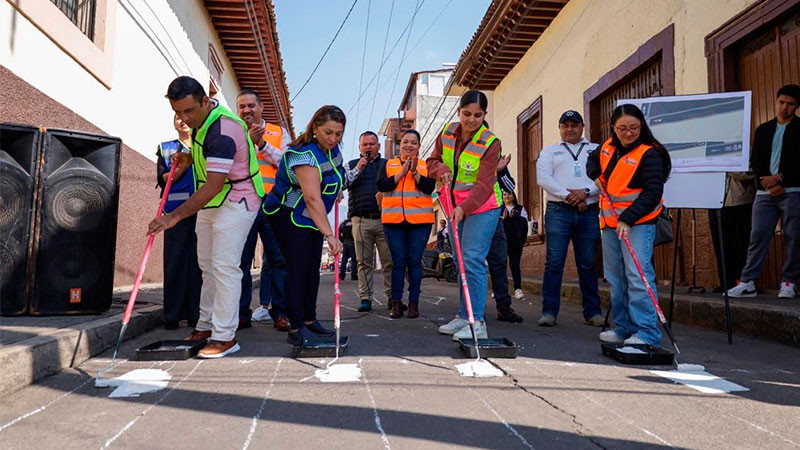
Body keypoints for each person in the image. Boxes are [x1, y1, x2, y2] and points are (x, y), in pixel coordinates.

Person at [149, 76, 265, 358]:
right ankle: (206, 325)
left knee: (225, 266)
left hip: (238, 197)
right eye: (178, 112)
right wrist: (188, 158)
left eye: (189, 111)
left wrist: (172, 217)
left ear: (205, 101)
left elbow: (214, 183)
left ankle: (225, 336)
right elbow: (207, 166)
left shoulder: (223, 130)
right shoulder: (201, 123)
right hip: (214, 199)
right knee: (207, 266)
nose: (184, 118)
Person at [587, 103, 671, 346]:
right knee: (615, 278)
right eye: (622, 128)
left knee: (638, 276)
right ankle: (623, 328)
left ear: (641, 126)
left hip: (638, 223)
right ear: (613, 127)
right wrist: (595, 175)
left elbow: (653, 191)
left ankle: (647, 333)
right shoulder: (606, 147)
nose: (628, 133)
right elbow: (592, 161)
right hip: (610, 223)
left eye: (634, 127)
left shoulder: (650, 153)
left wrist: (628, 218)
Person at [263, 105, 346, 345]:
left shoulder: (332, 151)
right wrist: (330, 234)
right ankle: (296, 327)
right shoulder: (303, 154)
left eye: (338, 134)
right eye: (328, 132)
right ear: (315, 128)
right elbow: (311, 197)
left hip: (310, 217)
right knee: (297, 269)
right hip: (288, 214)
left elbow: (332, 176)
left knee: (312, 269)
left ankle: (310, 320)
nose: (333, 139)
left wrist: (336, 188)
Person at [428, 90, 503, 341]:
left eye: (477, 115)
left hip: (483, 207)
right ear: (459, 111)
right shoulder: (447, 133)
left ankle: (477, 322)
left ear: (485, 115)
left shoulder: (491, 142)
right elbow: (431, 161)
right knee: (459, 261)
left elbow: (483, 185)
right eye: (467, 114)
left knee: (471, 258)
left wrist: (464, 208)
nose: (471, 120)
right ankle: (463, 314)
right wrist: (440, 169)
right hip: (453, 206)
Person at [728, 84, 800, 299]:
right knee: (758, 235)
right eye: (781, 102)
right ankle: (748, 281)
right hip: (764, 194)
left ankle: (789, 282)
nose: (784, 107)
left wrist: (779, 179)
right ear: (776, 101)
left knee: (794, 236)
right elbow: (756, 160)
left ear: (796, 106)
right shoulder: (764, 129)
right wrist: (768, 182)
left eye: (790, 104)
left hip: (793, 191)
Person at [536, 110, 604, 327]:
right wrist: (570, 196)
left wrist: (585, 191)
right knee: (554, 263)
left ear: (582, 126)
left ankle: (592, 312)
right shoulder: (549, 152)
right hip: (558, 211)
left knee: (587, 263)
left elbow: (605, 176)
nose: (570, 129)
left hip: (589, 211)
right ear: (560, 128)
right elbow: (544, 179)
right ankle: (549, 312)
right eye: (565, 125)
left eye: (574, 124)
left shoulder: (595, 149)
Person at [235, 89, 290, 331]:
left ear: (261, 107)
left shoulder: (279, 133)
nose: (246, 110)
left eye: (250, 106)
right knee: (241, 261)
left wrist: (262, 144)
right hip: (242, 204)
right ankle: (241, 313)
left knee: (278, 260)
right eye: (242, 107)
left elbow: (288, 163)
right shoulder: (234, 131)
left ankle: (279, 312)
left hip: (272, 205)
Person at [377, 129, 436, 319]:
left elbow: (429, 187)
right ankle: (395, 304)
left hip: (420, 222)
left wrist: (414, 173)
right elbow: (381, 185)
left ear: (418, 146)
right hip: (393, 221)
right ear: (400, 145)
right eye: (405, 142)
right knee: (398, 263)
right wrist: (402, 173)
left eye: (413, 142)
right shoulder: (388, 164)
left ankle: (413, 304)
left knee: (415, 263)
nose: (409, 145)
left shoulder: (426, 165)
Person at [156, 114, 202, 330]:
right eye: (177, 117)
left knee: (198, 264)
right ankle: (172, 315)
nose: (182, 120)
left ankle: (195, 314)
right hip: (174, 212)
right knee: (175, 263)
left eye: (186, 115)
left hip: (203, 210)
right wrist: (182, 164)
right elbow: (164, 179)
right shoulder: (166, 148)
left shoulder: (204, 144)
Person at [348, 132, 394, 312]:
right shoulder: (352, 165)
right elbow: (344, 183)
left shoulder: (388, 165)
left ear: (379, 146)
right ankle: (365, 297)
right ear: (360, 148)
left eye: (372, 144)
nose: (368, 147)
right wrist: (358, 168)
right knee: (363, 261)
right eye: (365, 144)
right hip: (361, 219)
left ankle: (392, 297)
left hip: (385, 219)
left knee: (389, 260)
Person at [489, 155, 524, 323]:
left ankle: (504, 307)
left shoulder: (496, 159)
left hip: (494, 217)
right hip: (469, 217)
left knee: (499, 262)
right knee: (470, 265)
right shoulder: (464, 154)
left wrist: (501, 169)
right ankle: (469, 310)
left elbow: (510, 186)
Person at [708, 172, 755, 293]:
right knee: (721, 244)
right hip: (715, 201)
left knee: (741, 243)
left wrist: (726, 166)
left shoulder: (748, 152)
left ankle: (743, 281)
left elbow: (749, 173)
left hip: (739, 201)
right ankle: (725, 282)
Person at [501, 191, 528, 300]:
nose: (507, 196)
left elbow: (524, 224)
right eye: (505, 195)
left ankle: (518, 288)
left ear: (514, 196)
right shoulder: (499, 209)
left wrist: (515, 217)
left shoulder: (519, 209)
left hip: (515, 243)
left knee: (515, 265)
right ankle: (500, 289)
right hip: (501, 242)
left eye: (509, 194)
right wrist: (502, 219)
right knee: (501, 266)